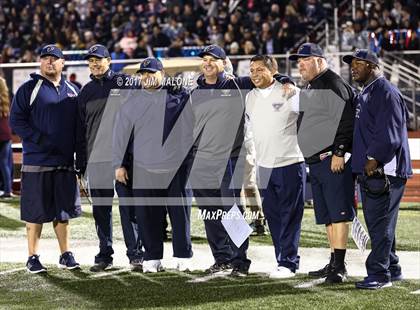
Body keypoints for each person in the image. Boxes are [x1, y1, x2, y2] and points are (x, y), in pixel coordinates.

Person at [190, 45, 293, 277]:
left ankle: (239, 262)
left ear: (224, 62)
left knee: (232, 211)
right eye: (204, 59)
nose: (207, 63)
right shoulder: (195, 92)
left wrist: (286, 80)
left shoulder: (238, 84)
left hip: (230, 158)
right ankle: (221, 258)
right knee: (210, 213)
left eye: (212, 59)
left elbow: (265, 76)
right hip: (202, 161)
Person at [113, 57, 193, 272]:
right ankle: (152, 256)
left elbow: (190, 131)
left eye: (151, 73)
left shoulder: (180, 96)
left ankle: (183, 255)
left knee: (180, 214)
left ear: (162, 74)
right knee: (148, 215)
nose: (147, 77)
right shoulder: (131, 102)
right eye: (143, 74)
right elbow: (121, 136)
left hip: (176, 167)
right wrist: (119, 164)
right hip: (144, 168)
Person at [343, 49, 412, 289]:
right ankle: (392, 267)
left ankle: (379, 274)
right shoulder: (368, 92)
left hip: (384, 171)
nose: (353, 67)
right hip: (375, 169)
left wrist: (374, 159)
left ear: (372, 66)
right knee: (383, 223)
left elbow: (390, 132)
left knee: (379, 223)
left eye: (358, 63)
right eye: (351, 64)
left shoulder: (385, 91)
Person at [9, 45, 81, 273]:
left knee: (63, 212)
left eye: (54, 59)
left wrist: (78, 153)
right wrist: (39, 139)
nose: (49, 62)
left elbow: (79, 126)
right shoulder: (28, 89)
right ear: (40, 63)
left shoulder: (73, 90)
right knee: (35, 211)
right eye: (45, 58)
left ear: (63, 63)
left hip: (64, 162)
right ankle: (32, 256)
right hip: (37, 161)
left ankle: (65, 254)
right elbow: (16, 121)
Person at [289, 43, 356, 283]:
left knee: (338, 213)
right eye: (299, 61)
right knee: (328, 214)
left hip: (331, 160)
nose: (300, 65)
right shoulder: (313, 85)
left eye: (304, 60)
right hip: (317, 161)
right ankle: (333, 261)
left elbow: (346, 121)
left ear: (319, 60)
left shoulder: (333, 83)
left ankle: (339, 266)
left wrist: (339, 152)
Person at [77, 44, 143, 272]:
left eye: (98, 59)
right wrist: (81, 161)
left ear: (109, 61)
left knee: (129, 207)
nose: (94, 64)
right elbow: (80, 129)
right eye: (90, 61)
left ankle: (135, 254)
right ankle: (105, 254)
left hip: (123, 158)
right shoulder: (85, 92)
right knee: (101, 209)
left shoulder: (124, 82)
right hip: (97, 159)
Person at [246, 55, 305, 278]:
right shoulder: (249, 97)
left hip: (289, 162)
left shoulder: (290, 91)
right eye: (252, 70)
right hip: (264, 166)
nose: (254, 74)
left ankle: (289, 263)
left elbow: (312, 119)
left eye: (260, 69)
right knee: (273, 216)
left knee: (290, 214)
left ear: (273, 70)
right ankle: (282, 259)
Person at [0, 76, 13, 198]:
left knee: (3, 163)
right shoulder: (5, 102)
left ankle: (7, 190)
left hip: (1, 135)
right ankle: (8, 189)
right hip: (6, 135)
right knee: (6, 163)